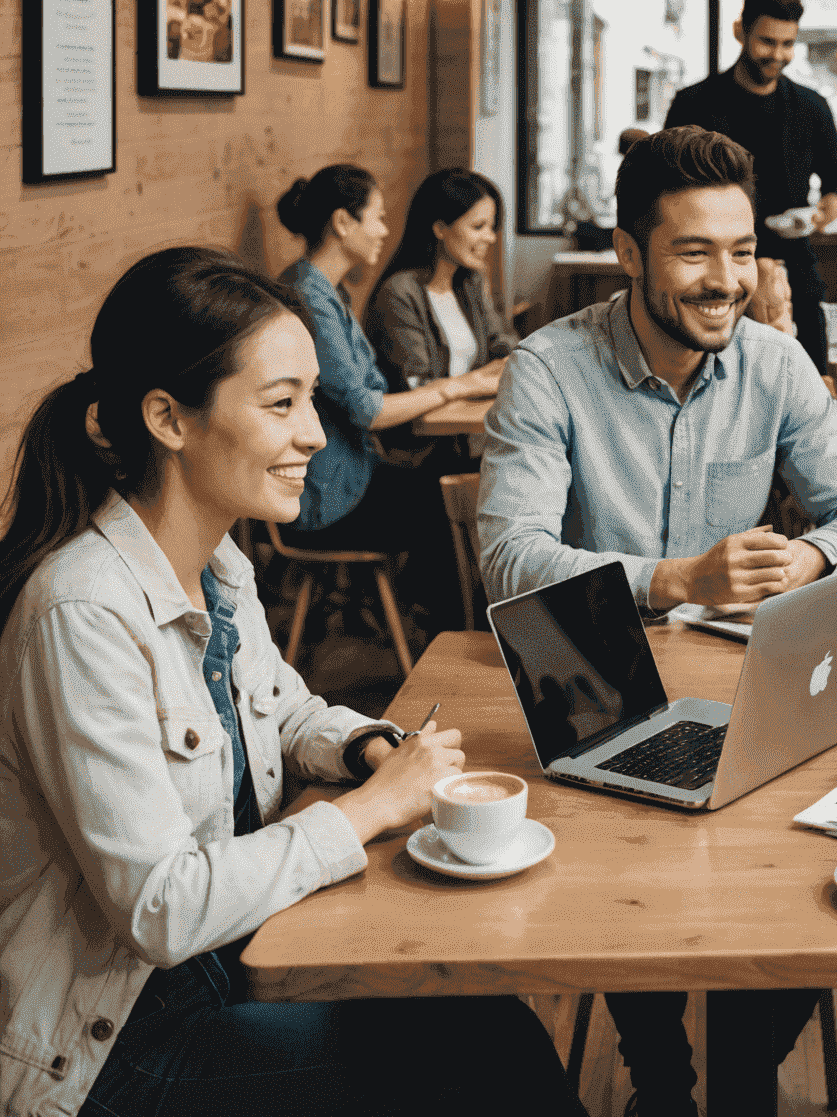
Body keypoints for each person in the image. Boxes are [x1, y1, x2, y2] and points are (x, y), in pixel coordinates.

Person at [0, 246, 585, 1117]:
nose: (315, 432)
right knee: (481, 1046)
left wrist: (367, 749)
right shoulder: (82, 611)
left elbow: (284, 710)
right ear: (169, 418)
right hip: (113, 1051)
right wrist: (374, 809)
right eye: (282, 404)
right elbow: (159, 908)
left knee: (480, 1016)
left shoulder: (218, 563)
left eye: (311, 398)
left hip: (222, 968)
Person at [477, 126, 837, 1117]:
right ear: (628, 253)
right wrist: (674, 578)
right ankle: (662, 1061)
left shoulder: (776, 365)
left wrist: (810, 555)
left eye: (743, 252)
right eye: (694, 252)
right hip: (594, 691)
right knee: (636, 890)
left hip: (749, 696)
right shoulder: (548, 369)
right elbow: (509, 558)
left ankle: (738, 1059)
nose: (727, 282)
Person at [274, 166, 502, 631]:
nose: (384, 230)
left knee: (473, 493)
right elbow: (368, 408)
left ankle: (468, 634)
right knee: (457, 502)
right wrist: (458, 386)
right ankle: (466, 639)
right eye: (376, 217)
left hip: (353, 474)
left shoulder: (327, 290)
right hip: (329, 495)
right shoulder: (309, 299)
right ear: (342, 224)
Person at [664, 0, 837, 373]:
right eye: (767, 42)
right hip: (713, 269)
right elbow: (667, 190)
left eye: (788, 44)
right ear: (740, 32)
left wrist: (821, 215)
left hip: (793, 263)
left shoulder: (811, 107)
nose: (778, 55)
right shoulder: (694, 104)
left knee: (810, 381)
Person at [365, 165, 516, 467]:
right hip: (423, 457)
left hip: (469, 442)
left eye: (492, 227)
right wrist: (480, 380)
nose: (490, 237)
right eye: (478, 226)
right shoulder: (399, 293)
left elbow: (503, 345)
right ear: (440, 228)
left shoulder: (470, 283)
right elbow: (418, 387)